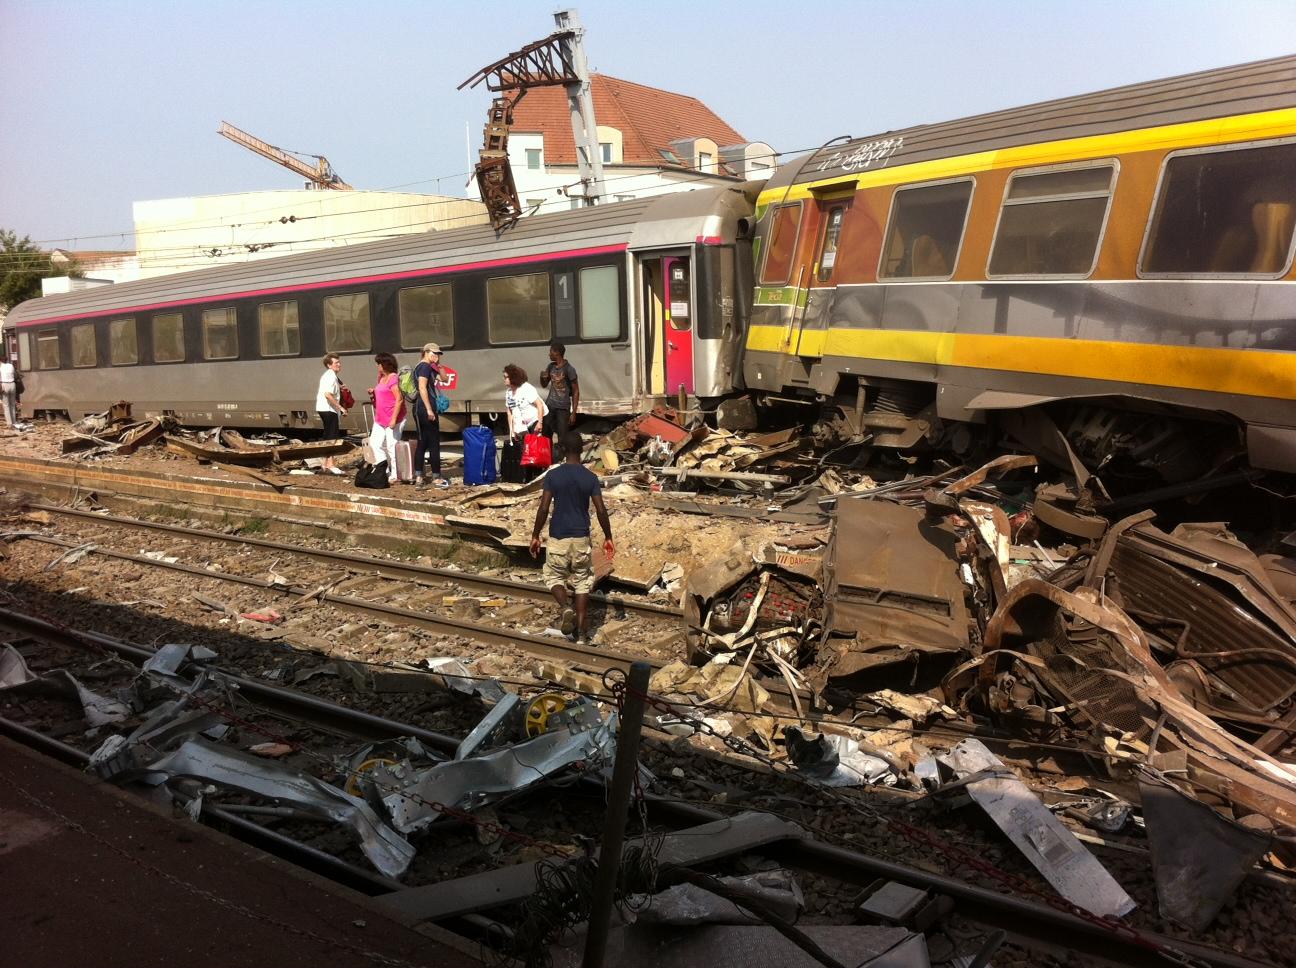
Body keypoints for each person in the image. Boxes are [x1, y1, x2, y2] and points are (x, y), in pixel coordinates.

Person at [530, 431, 614, 645]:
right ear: (581, 450)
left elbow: (543, 509)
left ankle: (566, 608)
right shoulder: (590, 477)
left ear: (563, 450)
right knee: (583, 581)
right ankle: (583, 635)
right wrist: (608, 536)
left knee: (554, 577)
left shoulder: (553, 476)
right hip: (581, 538)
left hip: (558, 537)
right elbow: (601, 511)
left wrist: (535, 535)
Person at [413, 342, 449, 489]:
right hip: (424, 408)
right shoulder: (425, 367)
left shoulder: (425, 367)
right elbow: (422, 387)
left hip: (419, 409)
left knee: (422, 441)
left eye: (438, 354)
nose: (436, 356)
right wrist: (429, 409)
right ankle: (436, 477)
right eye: (433, 353)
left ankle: (419, 476)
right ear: (425, 352)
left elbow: (445, 379)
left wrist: (439, 366)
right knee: (433, 442)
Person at [504, 363, 546, 480]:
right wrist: (512, 431)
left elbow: (539, 405)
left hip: (534, 420)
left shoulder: (526, 388)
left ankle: (538, 475)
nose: (504, 380)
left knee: (535, 450)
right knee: (525, 450)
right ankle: (527, 476)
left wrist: (540, 422)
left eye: (506, 377)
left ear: (513, 377)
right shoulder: (508, 393)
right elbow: (510, 412)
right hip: (522, 425)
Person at [367, 353, 404, 484]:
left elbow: (399, 399)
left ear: (386, 364)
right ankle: (383, 469)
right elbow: (382, 395)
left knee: (391, 446)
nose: (378, 366)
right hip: (380, 418)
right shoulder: (381, 377)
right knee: (374, 444)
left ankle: (395, 474)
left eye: (379, 364)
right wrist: (373, 393)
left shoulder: (393, 378)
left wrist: (393, 420)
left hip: (393, 418)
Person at [539, 342, 579, 443]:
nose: (549, 354)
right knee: (546, 435)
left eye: (551, 352)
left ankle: (562, 457)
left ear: (557, 353)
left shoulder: (569, 369)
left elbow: (576, 391)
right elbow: (544, 385)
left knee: (562, 438)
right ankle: (548, 458)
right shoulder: (551, 366)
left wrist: (573, 412)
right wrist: (542, 377)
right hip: (550, 406)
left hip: (563, 408)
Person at [314, 354, 346, 474]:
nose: (339, 364)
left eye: (339, 362)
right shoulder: (330, 376)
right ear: (329, 365)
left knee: (328, 436)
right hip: (329, 409)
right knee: (332, 436)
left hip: (325, 408)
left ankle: (325, 464)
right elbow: (328, 394)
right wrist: (340, 407)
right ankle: (331, 464)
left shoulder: (330, 376)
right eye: (336, 362)